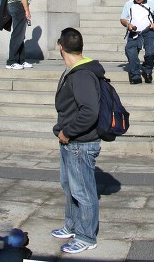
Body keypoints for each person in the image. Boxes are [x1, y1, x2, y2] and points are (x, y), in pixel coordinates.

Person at [52, 27, 106, 255]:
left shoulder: (82, 74)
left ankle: (86, 236)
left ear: (60, 46)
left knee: (83, 191)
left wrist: (68, 132)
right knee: (70, 187)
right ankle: (72, 225)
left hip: (80, 143)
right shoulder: (75, 70)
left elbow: (89, 111)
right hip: (71, 141)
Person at [120, 0, 154, 85]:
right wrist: (128, 24)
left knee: (150, 53)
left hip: (148, 31)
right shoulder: (128, 4)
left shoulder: (152, 3)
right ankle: (135, 75)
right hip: (134, 32)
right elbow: (122, 19)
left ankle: (147, 71)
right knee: (131, 53)